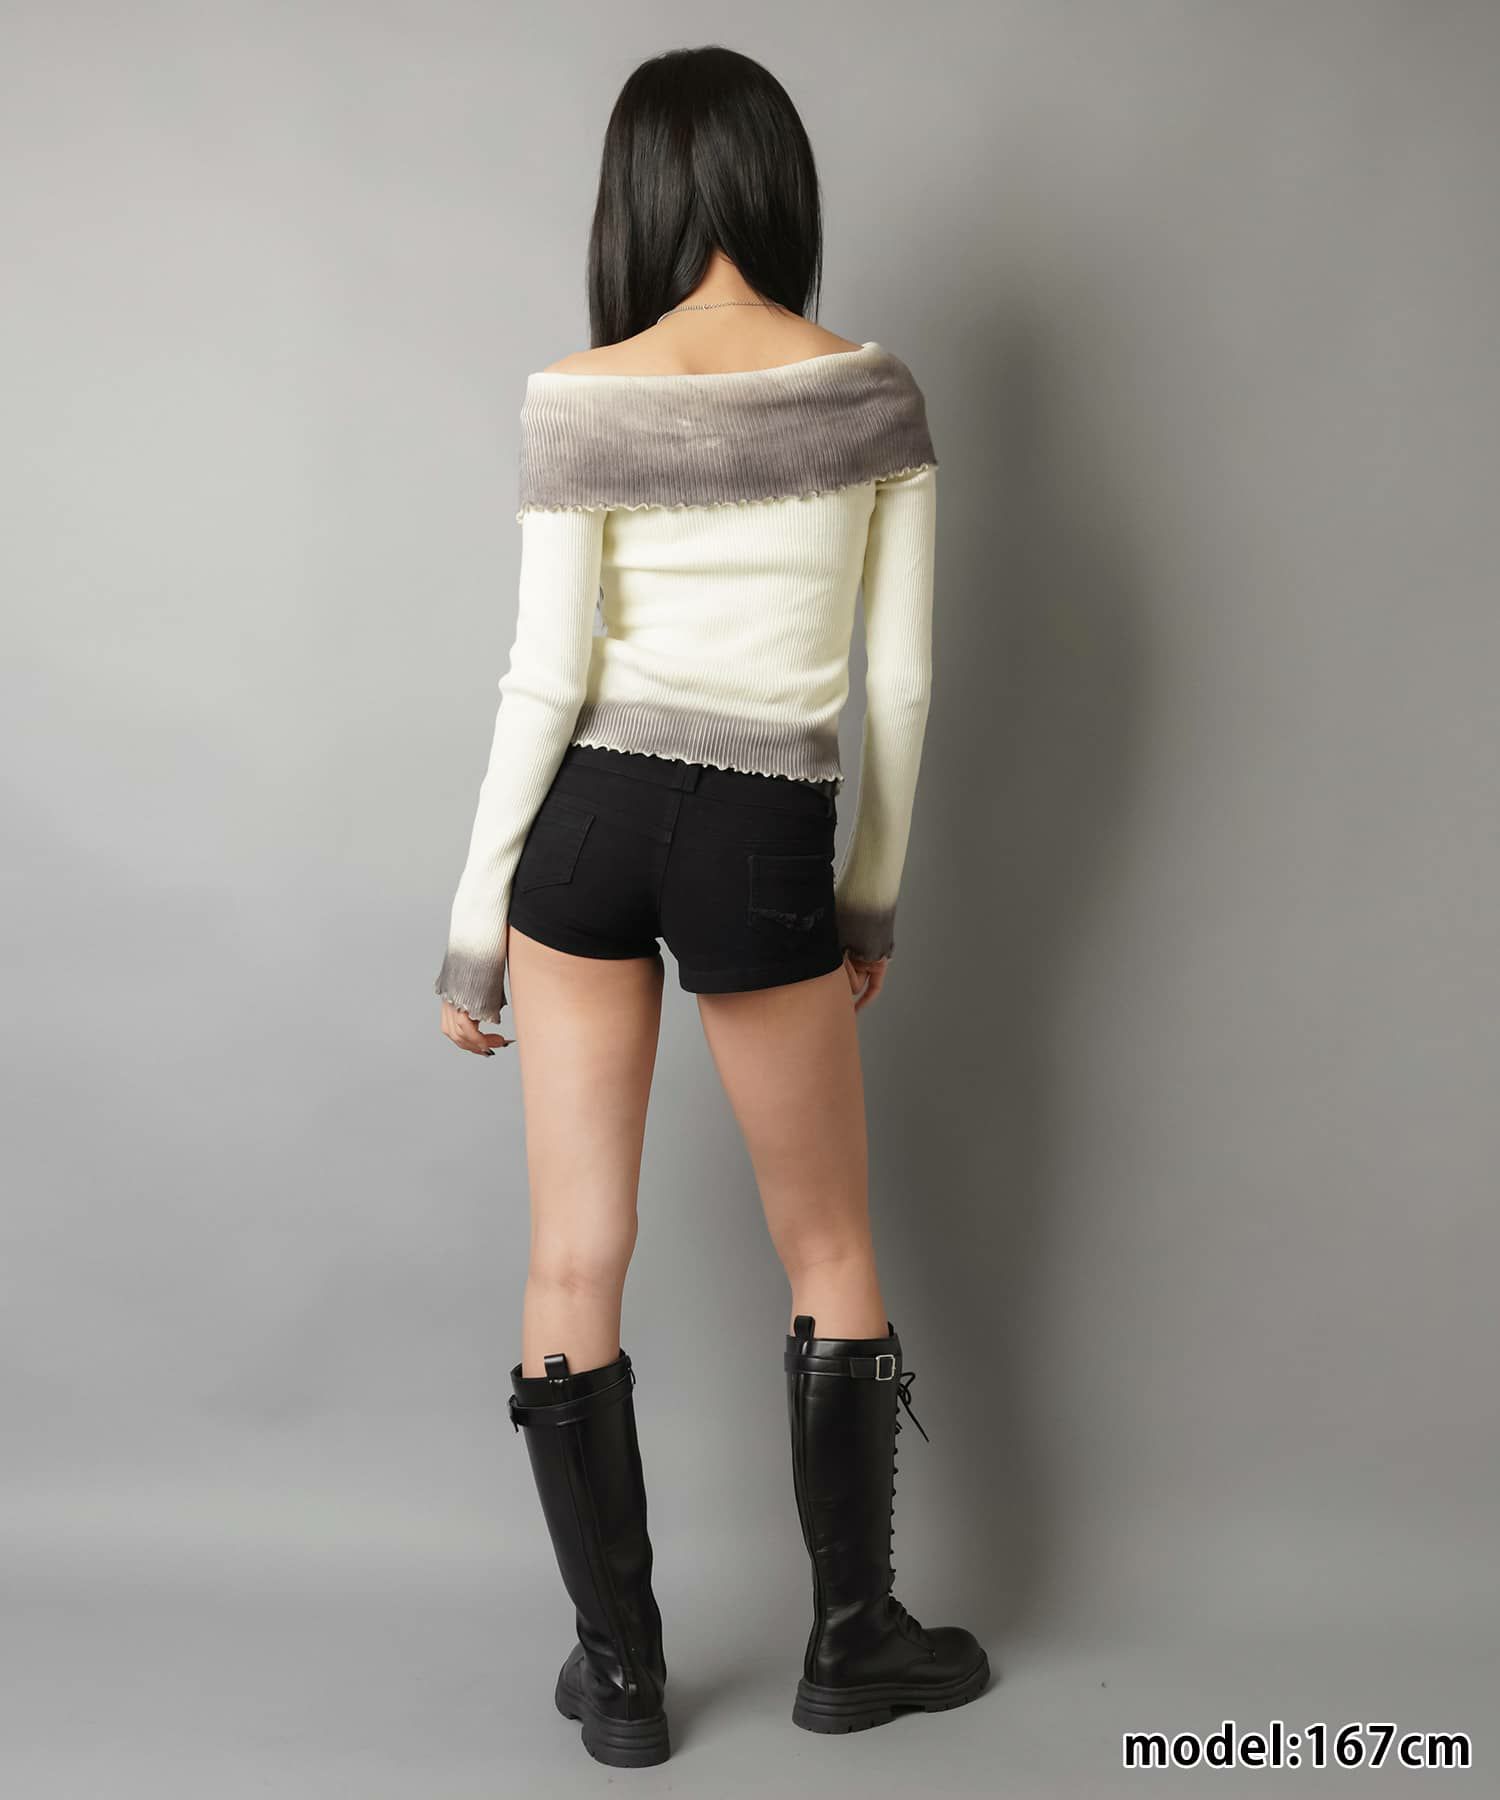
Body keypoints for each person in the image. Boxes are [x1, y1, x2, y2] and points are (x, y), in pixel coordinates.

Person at [433, 43, 987, 1768]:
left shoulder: (577, 392)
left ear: (635, 198)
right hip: (764, 831)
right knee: (827, 1245)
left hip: (588, 821)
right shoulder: (872, 391)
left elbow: (544, 678)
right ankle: (853, 1645)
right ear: (775, 183)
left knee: (572, 1252)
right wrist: (868, 902)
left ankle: (620, 1676)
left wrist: (473, 927)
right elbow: (899, 689)